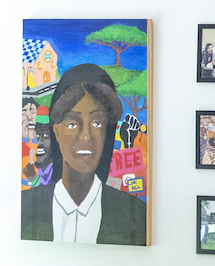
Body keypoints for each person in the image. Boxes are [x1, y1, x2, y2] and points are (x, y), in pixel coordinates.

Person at [19, 63, 148, 244]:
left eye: (97, 123)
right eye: (73, 124)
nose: (86, 136)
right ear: (56, 130)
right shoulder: (25, 207)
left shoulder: (137, 215)